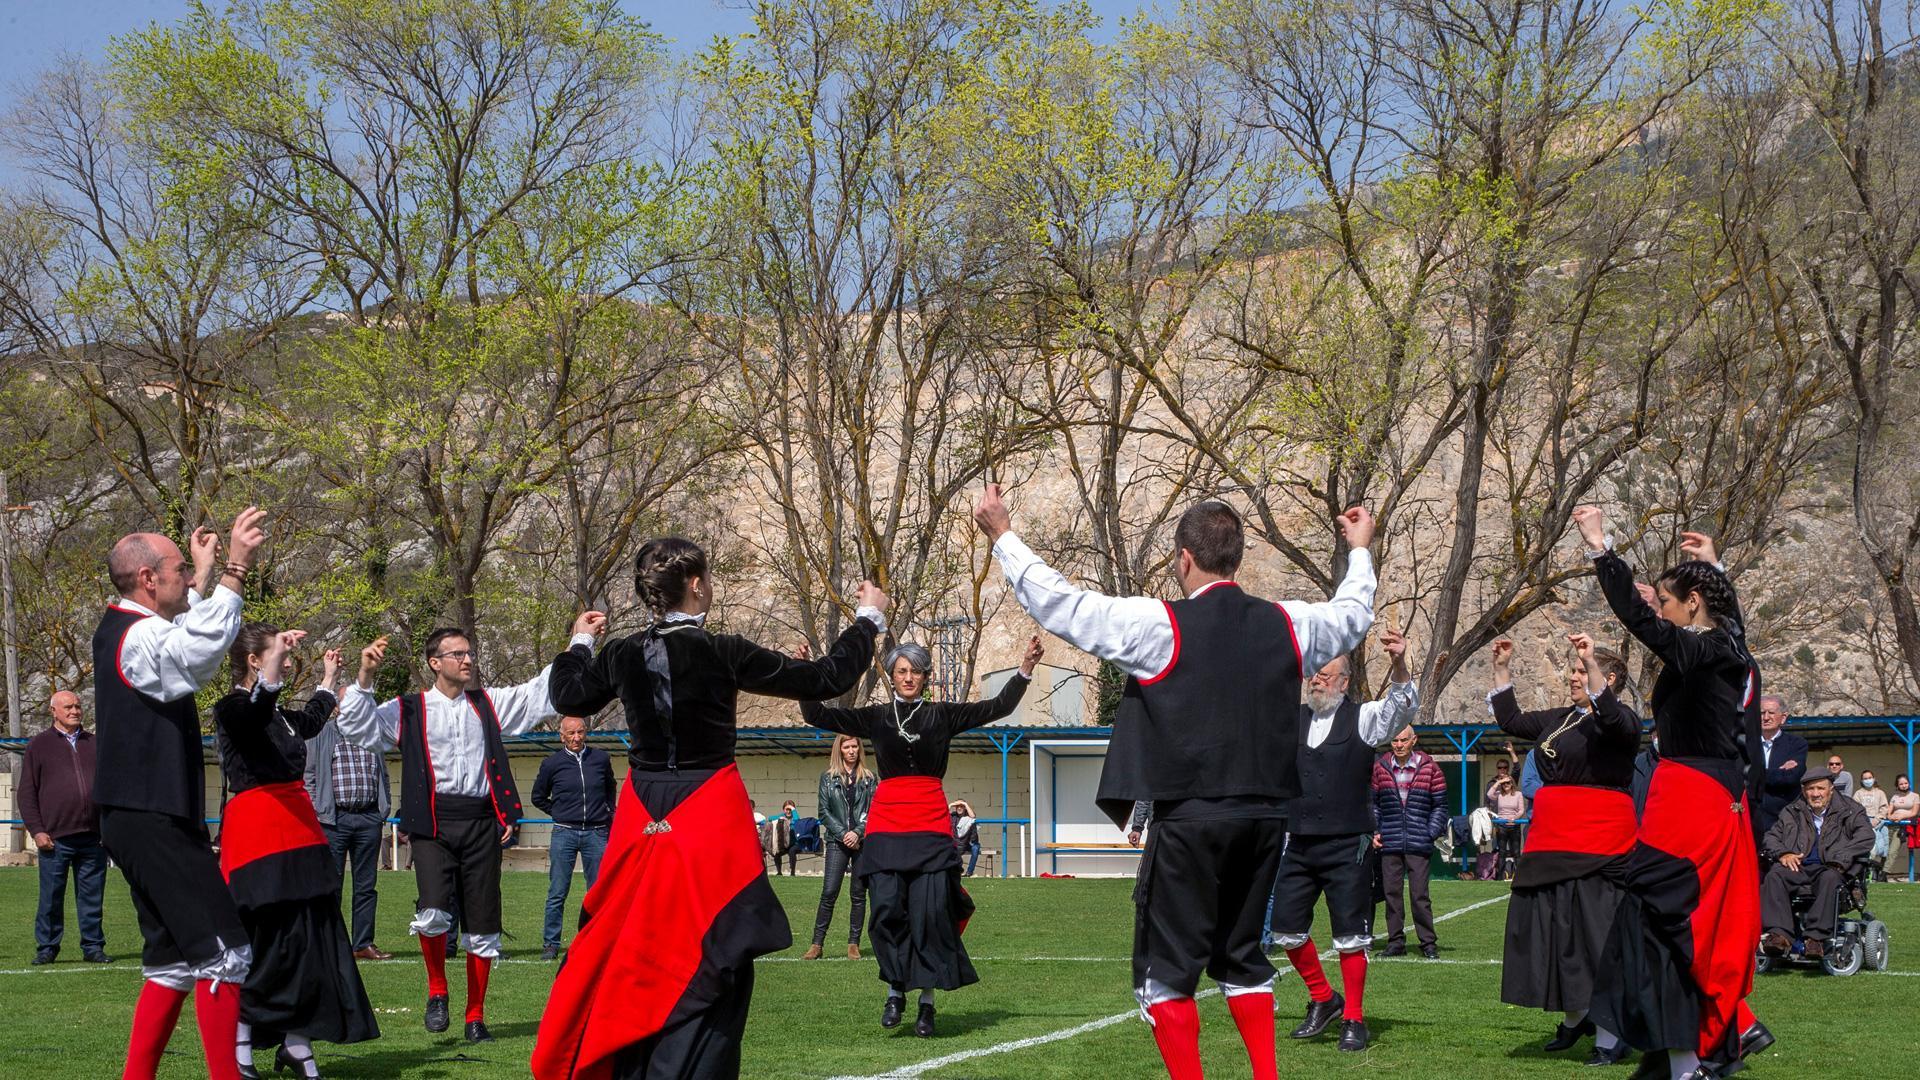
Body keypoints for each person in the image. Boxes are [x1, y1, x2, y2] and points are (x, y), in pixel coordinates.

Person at [977, 484, 1377, 1080]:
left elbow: (1062, 605)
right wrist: (1361, 551)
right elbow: (1354, 615)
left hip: (1192, 817)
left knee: (1167, 972)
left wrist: (1003, 535)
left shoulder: (1158, 623)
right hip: (1268, 820)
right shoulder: (1289, 623)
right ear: (1237, 560)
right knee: (1243, 957)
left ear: (1183, 559)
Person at [531, 538, 887, 1080]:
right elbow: (825, 679)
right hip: (707, 813)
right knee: (717, 949)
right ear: (696, 585)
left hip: (643, 811)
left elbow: (568, 696)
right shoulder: (724, 650)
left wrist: (580, 641)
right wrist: (867, 620)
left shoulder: (623, 652)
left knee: (631, 946)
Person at [337, 617, 596, 1044]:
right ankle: (437, 990)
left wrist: (580, 638)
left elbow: (540, 693)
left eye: (470, 653)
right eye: (459, 654)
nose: (468, 660)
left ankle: (475, 1016)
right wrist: (365, 675)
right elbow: (358, 727)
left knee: (483, 922)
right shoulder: (408, 708)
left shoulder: (488, 703)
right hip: (433, 823)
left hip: (481, 822)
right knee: (434, 910)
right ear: (435, 663)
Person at [1577, 508, 1767, 1080]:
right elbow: (1713, 619)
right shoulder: (1725, 646)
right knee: (1681, 925)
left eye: (1666, 601)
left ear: (1692, 606)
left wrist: (1601, 550)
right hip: (1700, 798)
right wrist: (1713, 569)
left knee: (1665, 924)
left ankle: (1690, 1057)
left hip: (1693, 803)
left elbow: (1643, 622)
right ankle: (1703, 1045)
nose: (1658, 609)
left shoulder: (1707, 651)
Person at [93, 509, 266, 1080]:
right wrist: (235, 568)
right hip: (152, 817)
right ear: (147, 578)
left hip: (142, 815)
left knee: (172, 961)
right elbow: (198, 653)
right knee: (225, 952)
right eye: (176, 571)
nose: (187, 581)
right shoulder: (137, 634)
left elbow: (190, 630)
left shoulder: (130, 627)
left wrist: (205, 569)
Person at [799, 635, 1043, 1037]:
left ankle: (926, 1004)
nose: (908, 676)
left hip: (930, 824)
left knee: (929, 916)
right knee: (888, 910)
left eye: (914, 670)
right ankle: (896, 990)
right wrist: (806, 677)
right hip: (888, 825)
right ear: (892, 677)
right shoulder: (876, 717)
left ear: (926, 676)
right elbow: (818, 716)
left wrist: (1025, 669)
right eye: (901, 671)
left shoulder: (942, 715)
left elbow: (997, 707)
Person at [214, 626, 379, 1079]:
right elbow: (254, 715)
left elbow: (308, 722)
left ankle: (297, 1045)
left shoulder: (281, 714)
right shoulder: (230, 709)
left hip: (301, 834)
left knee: (311, 940)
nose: (288, 662)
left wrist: (328, 678)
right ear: (254, 662)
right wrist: (271, 673)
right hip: (257, 836)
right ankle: (242, 1044)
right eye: (279, 656)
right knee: (264, 944)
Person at [1489, 633, 1641, 1065]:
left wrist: (1591, 663)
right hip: (1550, 843)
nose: (1572, 677)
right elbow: (1512, 720)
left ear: (1607, 678)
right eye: (1574, 670)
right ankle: (1577, 1019)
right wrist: (1502, 667)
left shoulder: (1623, 723)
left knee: (1598, 939)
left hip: (1599, 845)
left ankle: (1612, 1036)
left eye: (1581, 671)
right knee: (1556, 935)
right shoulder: (1560, 717)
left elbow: (1610, 716)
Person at [1267, 628, 1417, 1053]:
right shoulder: (1291, 719)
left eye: (1325, 675)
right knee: (1285, 929)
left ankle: (1353, 1017)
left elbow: (1402, 708)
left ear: (1345, 682)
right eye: (1313, 674)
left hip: (1347, 844)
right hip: (1298, 843)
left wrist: (1400, 664)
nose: (1316, 680)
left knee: (1351, 936)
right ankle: (1322, 998)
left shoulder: (1363, 718)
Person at [20, 690, 112, 966]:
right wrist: (37, 830)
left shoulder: (95, 743)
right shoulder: (39, 745)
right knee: (50, 897)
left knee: (92, 897)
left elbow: (110, 788)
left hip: (93, 837)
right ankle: (47, 947)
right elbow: (26, 793)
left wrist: (107, 829)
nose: (74, 711)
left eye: (78, 706)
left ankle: (93, 946)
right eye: (68, 707)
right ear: (53, 711)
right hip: (55, 838)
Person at [304, 700, 393, 962]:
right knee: (332, 886)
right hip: (334, 820)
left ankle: (362, 943)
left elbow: (383, 775)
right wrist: (317, 810)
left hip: (368, 819)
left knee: (366, 887)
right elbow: (308, 776)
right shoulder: (321, 733)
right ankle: (331, 943)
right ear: (336, 707)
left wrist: (382, 810)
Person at [531, 716, 617, 961]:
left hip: (597, 833)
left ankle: (599, 941)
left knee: (599, 891)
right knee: (557, 891)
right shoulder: (551, 764)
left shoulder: (601, 759)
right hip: (564, 833)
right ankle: (550, 943)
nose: (577, 737)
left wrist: (609, 811)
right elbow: (538, 797)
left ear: (586, 733)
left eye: (580, 732)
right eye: (571, 733)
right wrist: (558, 812)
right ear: (562, 736)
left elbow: (610, 788)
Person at [1760, 772, 1871, 958]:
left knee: (1830, 877)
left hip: (1832, 866)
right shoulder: (1792, 811)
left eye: (1821, 788)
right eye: (1811, 789)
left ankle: (1815, 939)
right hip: (1799, 865)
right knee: (1775, 875)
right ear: (1804, 791)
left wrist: (1841, 857)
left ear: (1831, 789)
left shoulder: (1852, 810)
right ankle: (1779, 935)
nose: (1816, 793)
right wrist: (1783, 853)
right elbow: (1771, 837)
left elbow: (1865, 837)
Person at [1372, 727, 1448, 959]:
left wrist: (1430, 832)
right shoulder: (1380, 768)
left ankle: (1428, 943)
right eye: (1394, 740)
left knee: (1419, 895)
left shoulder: (1431, 768)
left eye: (1404, 740)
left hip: (1419, 841)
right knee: (1391, 894)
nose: (1398, 744)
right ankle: (1395, 942)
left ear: (1414, 740)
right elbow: (1373, 804)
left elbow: (1441, 806)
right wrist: (1376, 830)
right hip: (1390, 841)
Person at [804, 733, 877, 961]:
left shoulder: (870, 778)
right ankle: (817, 944)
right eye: (847, 747)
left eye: (855, 746)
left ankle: (853, 944)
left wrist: (857, 832)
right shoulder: (828, 778)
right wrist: (843, 833)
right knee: (829, 892)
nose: (852, 750)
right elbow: (823, 812)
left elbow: (875, 810)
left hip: (862, 842)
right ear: (840, 750)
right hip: (837, 842)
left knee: (858, 894)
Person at [1755, 696, 1805, 845]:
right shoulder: (1745, 744)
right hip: (1751, 818)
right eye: (1762, 713)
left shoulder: (1797, 744)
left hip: (1783, 819)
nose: (1766, 717)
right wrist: (1777, 772)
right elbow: (1738, 775)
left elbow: (1791, 778)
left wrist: (1755, 772)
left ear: (1783, 718)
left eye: (1771, 712)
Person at [1487, 775, 1526, 880]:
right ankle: (1500, 877)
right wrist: (1499, 782)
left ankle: (1520, 877)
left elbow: (1521, 810)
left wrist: (1514, 819)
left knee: (1516, 852)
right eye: (1504, 784)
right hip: (1502, 825)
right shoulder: (1499, 795)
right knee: (1502, 852)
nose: (1506, 785)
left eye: (1508, 783)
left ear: (1512, 783)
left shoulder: (1518, 794)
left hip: (1514, 825)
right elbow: (1489, 794)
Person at [1856, 769, 1891, 881]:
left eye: (1869, 778)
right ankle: (1866, 873)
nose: (1868, 780)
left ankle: (1879, 873)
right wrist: (1865, 822)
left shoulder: (1880, 793)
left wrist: (1877, 819)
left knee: (1881, 850)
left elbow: (1884, 807)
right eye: (1865, 778)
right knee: (1868, 851)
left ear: (1874, 778)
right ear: (1862, 780)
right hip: (1864, 824)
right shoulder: (1858, 793)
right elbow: (1856, 809)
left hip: (1878, 824)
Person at [1887, 775, 1918, 880]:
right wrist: (1891, 817)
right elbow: (1889, 812)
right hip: (1892, 825)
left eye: (1905, 783)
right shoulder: (1895, 797)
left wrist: (1902, 816)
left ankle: (1884, 873)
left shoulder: (1915, 796)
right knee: (1884, 850)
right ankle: (1878, 872)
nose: (1904, 785)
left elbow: (1914, 812)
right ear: (1897, 785)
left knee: (1893, 851)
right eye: (1901, 784)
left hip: (1905, 826)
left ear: (1908, 784)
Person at [950, 800, 982, 877]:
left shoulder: (968, 815)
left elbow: (973, 816)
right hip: (958, 842)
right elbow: (943, 815)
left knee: (975, 848)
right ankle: (957, 871)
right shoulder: (953, 816)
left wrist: (965, 803)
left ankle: (969, 872)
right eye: (958, 807)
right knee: (949, 850)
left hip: (970, 842)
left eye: (961, 806)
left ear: (965, 808)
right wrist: (951, 805)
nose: (959, 808)